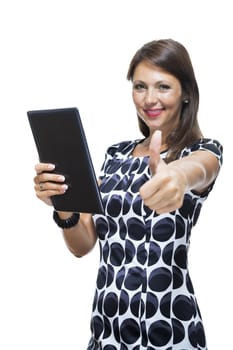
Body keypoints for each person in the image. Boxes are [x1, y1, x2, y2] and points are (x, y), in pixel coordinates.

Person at [33, 39, 223, 349]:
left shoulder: (201, 151)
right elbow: (83, 245)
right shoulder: (115, 154)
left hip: (169, 330)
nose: (149, 99)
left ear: (186, 93)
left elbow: (199, 170)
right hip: (107, 331)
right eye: (140, 86)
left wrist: (175, 174)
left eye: (163, 87)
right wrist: (62, 204)